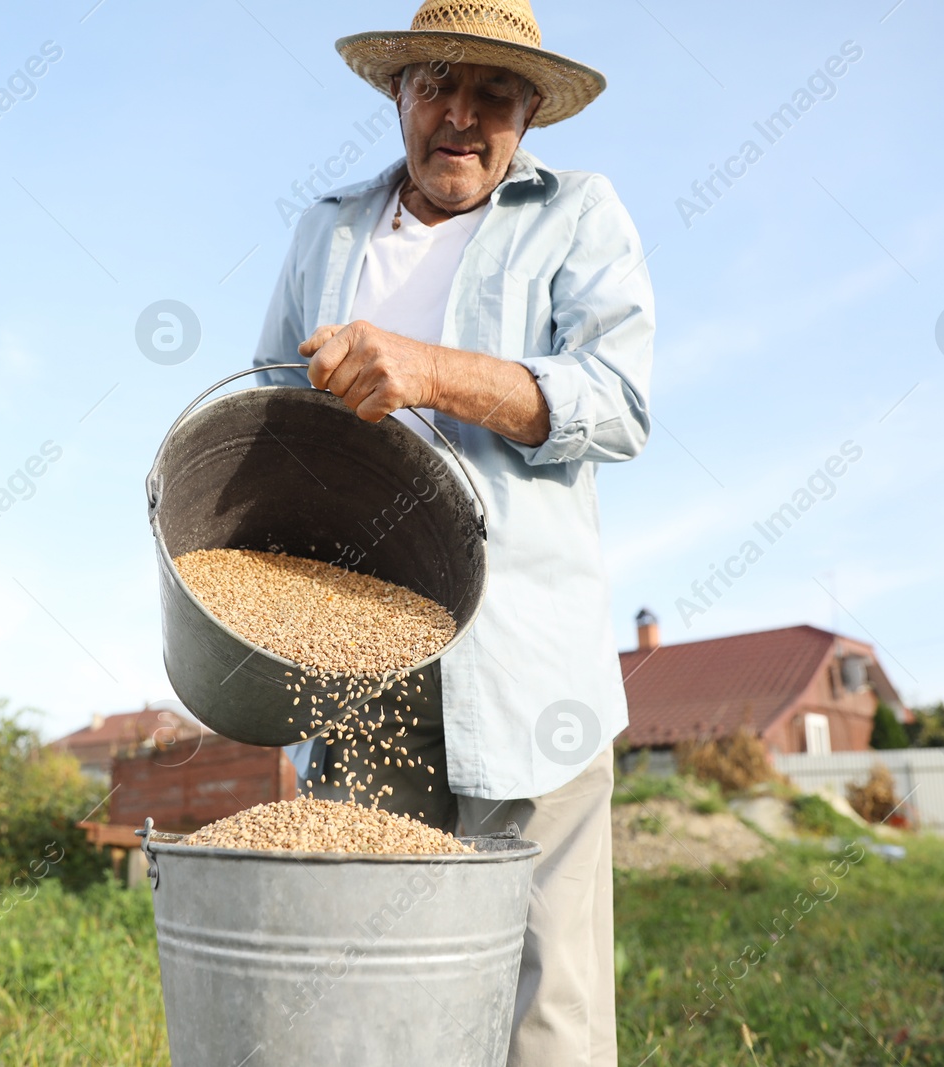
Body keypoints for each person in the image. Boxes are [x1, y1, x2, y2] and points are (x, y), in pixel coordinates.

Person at [253, 2, 653, 1063]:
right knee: (370, 974)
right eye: (437, 84)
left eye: (495, 93)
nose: (462, 118)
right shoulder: (326, 230)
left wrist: (430, 369)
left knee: (543, 995)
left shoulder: (577, 214)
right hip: (364, 647)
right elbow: (270, 412)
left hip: (522, 652)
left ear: (530, 113)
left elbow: (617, 403)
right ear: (398, 93)